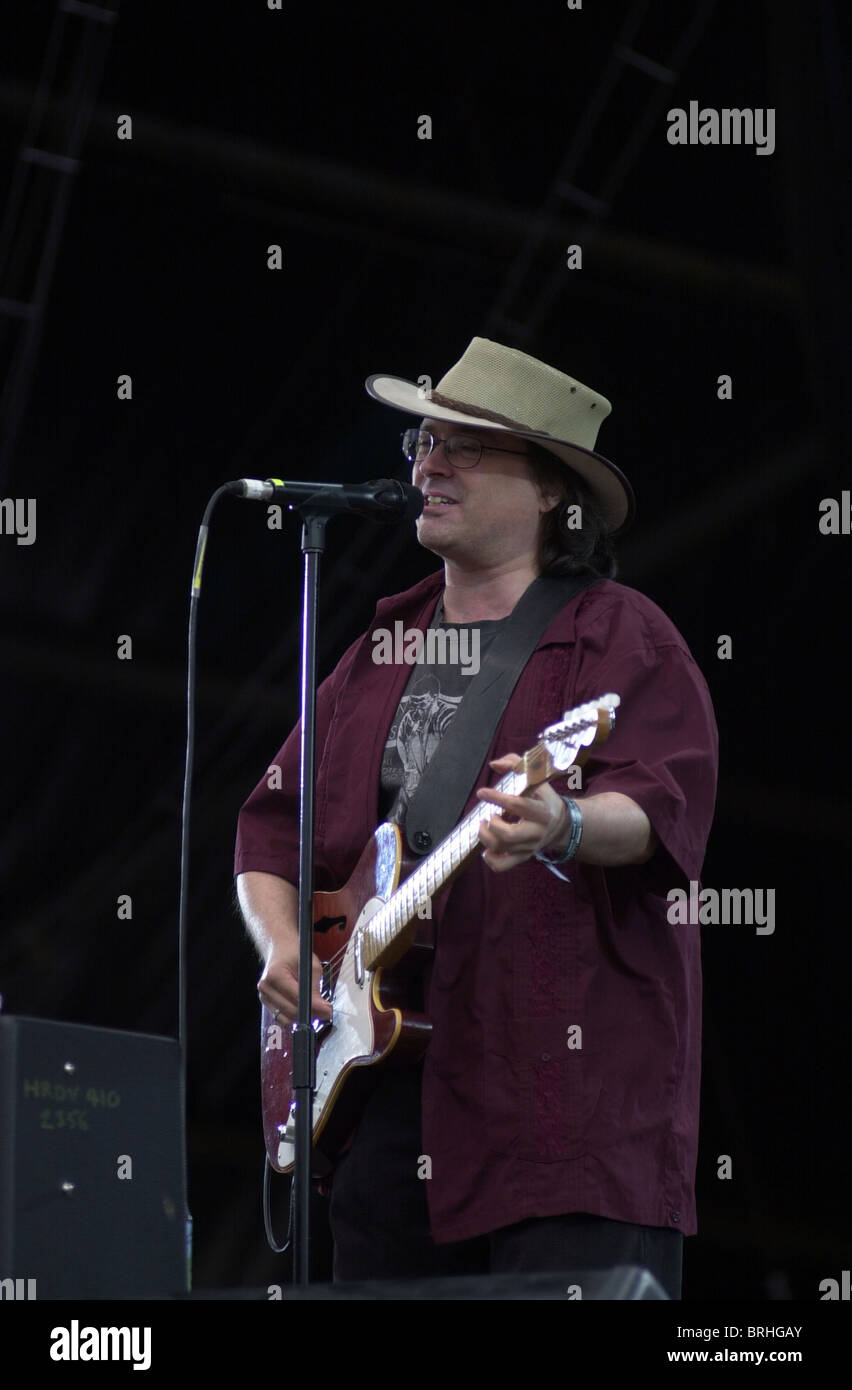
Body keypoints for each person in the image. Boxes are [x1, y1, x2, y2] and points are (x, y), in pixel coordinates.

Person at [234, 336, 718, 1299]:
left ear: (552, 493)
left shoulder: (621, 635)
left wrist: (564, 826)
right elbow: (267, 830)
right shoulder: (381, 647)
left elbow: (661, 806)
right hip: (387, 1107)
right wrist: (284, 949)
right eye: (425, 441)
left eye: (468, 446)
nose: (429, 465)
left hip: (562, 1116)